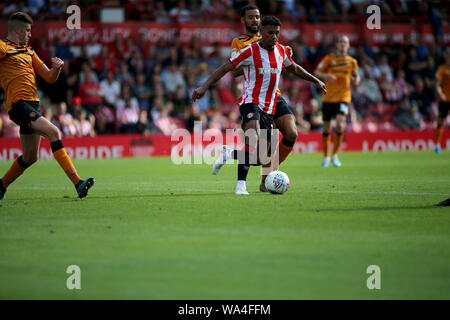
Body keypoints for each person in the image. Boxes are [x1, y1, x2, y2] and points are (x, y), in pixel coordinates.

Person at [192, 16, 326, 195]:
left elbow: (293, 68)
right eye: (270, 33)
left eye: (277, 33)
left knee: (262, 158)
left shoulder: (281, 51)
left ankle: (230, 154)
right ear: (261, 32)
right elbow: (226, 68)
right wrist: (204, 86)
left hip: (270, 107)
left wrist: (315, 80)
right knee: (252, 137)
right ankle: (241, 186)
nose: (274, 36)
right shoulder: (250, 51)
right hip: (251, 102)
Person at [0, 12, 94, 200]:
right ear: (17, 30)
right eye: (27, 30)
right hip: (19, 105)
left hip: (33, 105)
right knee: (54, 132)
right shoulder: (3, 47)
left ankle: (1, 185)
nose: (29, 34)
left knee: (30, 157)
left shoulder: (29, 52)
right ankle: (78, 182)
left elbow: (49, 77)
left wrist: (57, 68)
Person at [230, 4, 299, 192]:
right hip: (256, 97)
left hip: (275, 96)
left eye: (257, 17)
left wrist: (286, 51)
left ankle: (269, 175)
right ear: (243, 20)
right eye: (251, 17)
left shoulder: (271, 37)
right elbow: (235, 70)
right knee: (263, 149)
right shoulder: (239, 43)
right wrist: (250, 56)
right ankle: (261, 177)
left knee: (291, 134)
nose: (255, 20)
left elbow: (285, 60)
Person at [314, 35, 360, 167]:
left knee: (340, 125)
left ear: (348, 45)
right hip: (328, 97)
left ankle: (335, 155)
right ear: (336, 44)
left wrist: (356, 80)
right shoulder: (329, 59)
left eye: (344, 42)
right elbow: (317, 72)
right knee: (327, 128)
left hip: (343, 98)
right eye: (340, 41)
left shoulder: (352, 62)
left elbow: (356, 77)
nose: (342, 44)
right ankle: (326, 156)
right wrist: (326, 75)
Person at [434, 48, 450, 154]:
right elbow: (437, 84)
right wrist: (441, 94)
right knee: (440, 121)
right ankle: (437, 145)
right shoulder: (442, 69)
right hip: (445, 100)